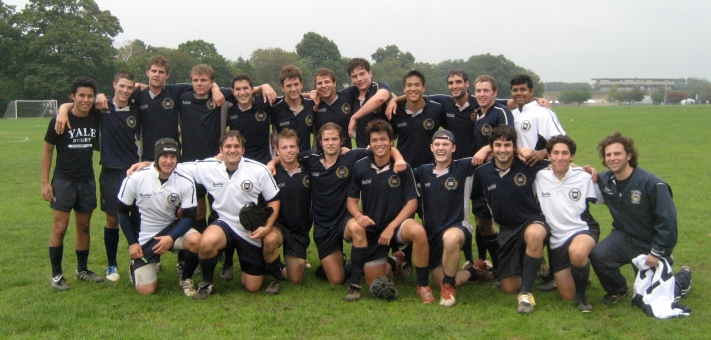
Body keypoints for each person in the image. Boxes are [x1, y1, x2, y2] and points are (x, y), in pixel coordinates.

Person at [128, 130, 280, 298]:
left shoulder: (258, 169)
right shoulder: (209, 167)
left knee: (252, 286)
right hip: (223, 224)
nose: (232, 150)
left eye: (237, 146)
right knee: (206, 241)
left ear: (243, 150)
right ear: (221, 150)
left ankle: (268, 270)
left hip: (249, 230)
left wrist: (267, 227)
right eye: (228, 146)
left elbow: (274, 199)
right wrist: (150, 164)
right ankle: (208, 282)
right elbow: (176, 166)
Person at [266, 123, 405, 286]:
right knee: (336, 280)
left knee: (358, 229)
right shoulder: (311, 159)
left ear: (341, 142)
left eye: (334, 139)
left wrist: (399, 158)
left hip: (344, 220)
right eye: (326, 139)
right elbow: (286, 155)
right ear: (320, 142)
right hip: (323, 227)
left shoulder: (351, 156)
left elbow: (380, 147)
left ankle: (355, 284)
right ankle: (373, 263)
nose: (330, 143)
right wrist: (271, 163)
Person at [54, 71, 143, 282]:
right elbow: (74, 104)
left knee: (137, 219)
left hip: (135, 171)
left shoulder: (138, 108)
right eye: (121, 86)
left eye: (129, 87)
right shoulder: (102, 106)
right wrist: (62, 110)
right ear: (114, 84)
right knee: (112, 219)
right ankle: (111, 266)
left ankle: (136, 263)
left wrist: (142, 86)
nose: (125, 90)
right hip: (110, 171)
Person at [590, 132, 691, 305]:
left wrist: (657, 251)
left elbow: (668, 223)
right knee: (599, 255)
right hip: (623, 237)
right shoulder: (604, 180)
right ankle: (618, 289)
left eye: (617, 153)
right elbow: (573, 174)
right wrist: (585, 169)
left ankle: (683, 278)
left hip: (649, 244)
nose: (612, 158)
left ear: (629, 155)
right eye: (608, 155)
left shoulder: (652, 184)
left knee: (650, 298)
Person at [343, 119, 433, 303]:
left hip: (397, 226)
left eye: (383, 139)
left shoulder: (402, 167)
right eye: (374, 140)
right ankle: (395, 259)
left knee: (418, 231)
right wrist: (359, 216)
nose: (379, 144)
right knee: (374, 282)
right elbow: (351, 202)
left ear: (391, 142)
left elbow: (412, 203)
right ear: (370, 143)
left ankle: (423, 285)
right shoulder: (360, 167)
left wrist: (392, 227)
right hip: (374, 229)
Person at [471, 125, 550, 314]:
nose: (503, 149)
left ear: (514, 147)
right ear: (492, 147)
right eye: (498, 145)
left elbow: (557, 163)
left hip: (531, 221)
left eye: (507, 145)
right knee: (508, 287)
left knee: (535, 233)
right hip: (506, 230)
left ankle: (526, 294)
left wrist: (584, 169)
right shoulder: (482, 173)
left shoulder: (527, 165)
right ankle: (533, 265)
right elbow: (477, 203)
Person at [413, 130, 490, 307]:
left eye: (445, 144)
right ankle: (474, 271)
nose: (441, 148)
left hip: (458, 227)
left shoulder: (463, 167)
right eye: (437, 145)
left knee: (451, 238)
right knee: (439, 280)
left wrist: (484, 149)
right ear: (431, 147)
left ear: (453, 148)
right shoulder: (422, 172)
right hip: (432, 236)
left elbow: (497, 149)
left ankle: (449, 288)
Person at [117, 138, 202, 296]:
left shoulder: (185, 180)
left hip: (172, 230)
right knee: (146, 291)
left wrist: (171, 237)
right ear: (156, 157)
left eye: (173, 157)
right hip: (146, 237)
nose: (169, 161)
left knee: (197, 240)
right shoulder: (135, 178)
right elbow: (122, 212)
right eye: (165, 156)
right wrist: (132, 243)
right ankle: (136, 265)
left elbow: (189, 217)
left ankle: (186, 278)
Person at [42, 77, 103, 290]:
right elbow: (48, 151)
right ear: (72, 97)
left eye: (89, 96)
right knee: (60, 227)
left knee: (84, 227)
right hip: (63, 180)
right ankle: (57, 275)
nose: (86, 100)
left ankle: (82, 270)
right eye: (81, 96)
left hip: (86, 180)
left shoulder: (95, 116)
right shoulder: (60, 120)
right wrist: (45, 183)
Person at [534, 135, 601, 312]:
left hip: (582, 230)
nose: (560, 157)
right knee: (566, 296)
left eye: (565, 153)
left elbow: (603, 198)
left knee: (577, 252)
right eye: (555, 153)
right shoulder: (540, 177)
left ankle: (582, 298)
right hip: (557, 240)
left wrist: (590, 171)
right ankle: (579, 276)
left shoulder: (584, 177)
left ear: (572, 157)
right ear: (548, 155)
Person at [260, 129, 313, 294]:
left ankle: (276, 266)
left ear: (298, 149)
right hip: (278, 225)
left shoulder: (310, 169)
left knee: (295, 279)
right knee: (269, 240)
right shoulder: (270, 174)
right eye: (284, 147)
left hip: (299, 231)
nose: (289, 150)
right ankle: (275, 278)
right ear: (277, 151)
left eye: (292, 147)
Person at [389, 70, 443, 168]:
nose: (413, 88)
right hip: (404, 168)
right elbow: (390, 141)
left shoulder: (436, 109)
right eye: (409, 85)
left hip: (430, 170)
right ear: (404, 89)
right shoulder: (395, 111)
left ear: (423, 88)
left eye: (417, 85)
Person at [510, 74, 566, 165]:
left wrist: (542, 153)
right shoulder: (511, 114)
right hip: (516, 170)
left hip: (540, 169)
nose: (518, 93)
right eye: (515, 90)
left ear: (531, 92)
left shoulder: (543, 112)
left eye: (523, 89)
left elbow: (563, 141)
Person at [345, 58, 392, 148]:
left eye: (362, 74)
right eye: (354, 76)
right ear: (351, 79)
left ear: (370, 73)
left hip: (382, 150)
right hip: (362, 152)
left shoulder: (379, 86)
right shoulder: (351, 94)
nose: (359, 79)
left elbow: (381, 98)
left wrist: (354, 117)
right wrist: (311, 94)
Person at [270, 66, 315, 152]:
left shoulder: (311, 105)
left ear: (301, 84)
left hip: (306, 161)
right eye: (289, 86)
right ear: (282, 87)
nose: (293, 89)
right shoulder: (274, 108)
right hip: (283, 162)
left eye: (296, 84)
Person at [311, 68, 355, 149]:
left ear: (334, 83)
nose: (323, 85)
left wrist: (387, 103)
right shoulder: (313, 103)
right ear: (316, 87)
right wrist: (309, 94)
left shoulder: (348, 95)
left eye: (327, 82)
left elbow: (371, 87)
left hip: (345, 155)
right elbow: (291, 96)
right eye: (320, 83)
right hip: (321, 157)